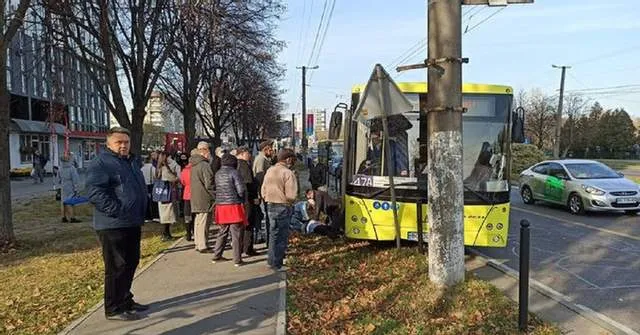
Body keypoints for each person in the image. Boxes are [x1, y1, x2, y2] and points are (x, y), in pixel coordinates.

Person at [86, 127, 148, 321]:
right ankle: (113, 307)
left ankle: (125, 299)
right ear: (109, 143)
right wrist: (117, 210)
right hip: (112, 224)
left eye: (126, 142)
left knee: (131, 262)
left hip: (131, 221)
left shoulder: (130, 162)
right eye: (118, 142)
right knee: (116, 266)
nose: (123, 145)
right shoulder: (102, 163)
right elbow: (95, 192)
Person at [261, 148, 298, 271]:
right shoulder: (288, 173)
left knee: (273, 234)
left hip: (270, 205)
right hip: (283, 206)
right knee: (282, 236)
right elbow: (291, 195)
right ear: (288, 159)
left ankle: (270, 261)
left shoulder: (270, 170)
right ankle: (277, 264)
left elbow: (263, 190)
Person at [212, 153, 247, 266]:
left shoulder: (217, 173)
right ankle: (237, 259)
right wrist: (242, 199)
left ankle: (217, 255)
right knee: (235, 233)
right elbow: (241, 190)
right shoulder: (234, 172)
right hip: (233, 205)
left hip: (220, 205)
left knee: (222, 231)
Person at [190, 142, 215, 252]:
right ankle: (203, 245)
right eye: (208, 150)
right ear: (204, 150)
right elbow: (209, 183)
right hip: (204, 197)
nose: (209, 152)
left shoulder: (194, 164)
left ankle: (198, 243)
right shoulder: (204, 165)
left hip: (196, 196)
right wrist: (215, 194)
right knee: (204, 222)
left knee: (198, 221)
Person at [236, 146, 260, 257]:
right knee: (249, 223)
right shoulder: (244, 165)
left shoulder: (236, 164)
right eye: (248, 153)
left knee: (242, 224)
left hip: (240, 199)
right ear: (242, 153)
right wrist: (254, 196)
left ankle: (241, 247)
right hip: (248, 199)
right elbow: (248, 183)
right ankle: (248, 247)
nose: (249, 155)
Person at [253, 139, 274, 243]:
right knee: (266, 216)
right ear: (266, 149)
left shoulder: (264, 159)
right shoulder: (261, 159)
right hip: (263, 193)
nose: (272, 150)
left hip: (264, 192)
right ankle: (266, 239)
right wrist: (262, 193)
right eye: (271, 148)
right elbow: (260, 177)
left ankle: (265, 238)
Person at [156, 152, 179, 241]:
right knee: (167, 215)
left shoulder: (158, 168)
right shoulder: (166, 168)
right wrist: (176, 178)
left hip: (160, 193)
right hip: (167, 192)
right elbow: (173, 178)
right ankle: (166, 234)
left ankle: (166, 233)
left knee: (164, 214)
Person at [58, 154, 82, 223]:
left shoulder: (60, 168)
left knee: (63, 202)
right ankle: (72, 218)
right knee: (70, 202)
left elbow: (58, 178)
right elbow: (75, 180)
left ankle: (63, 217)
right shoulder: (72, 168)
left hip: (63, 185)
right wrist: (76, 189)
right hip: (70, 186)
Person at [180, 149, 197, 241]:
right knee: (195, 214)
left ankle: (188, 233)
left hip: (186, 194)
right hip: (195, 193)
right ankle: (195, 231)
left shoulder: (184, 170)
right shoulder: (196, 170)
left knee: (187, 215)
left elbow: (182, 182)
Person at [141, 155, 159, 222]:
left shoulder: (142, 169)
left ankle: (147, 217)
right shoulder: (153, 168)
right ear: (150, 161)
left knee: (146, 201)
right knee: (154, 201)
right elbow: (156, 176)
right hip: (152, 185)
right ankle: (155, 216)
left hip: (144, 186)